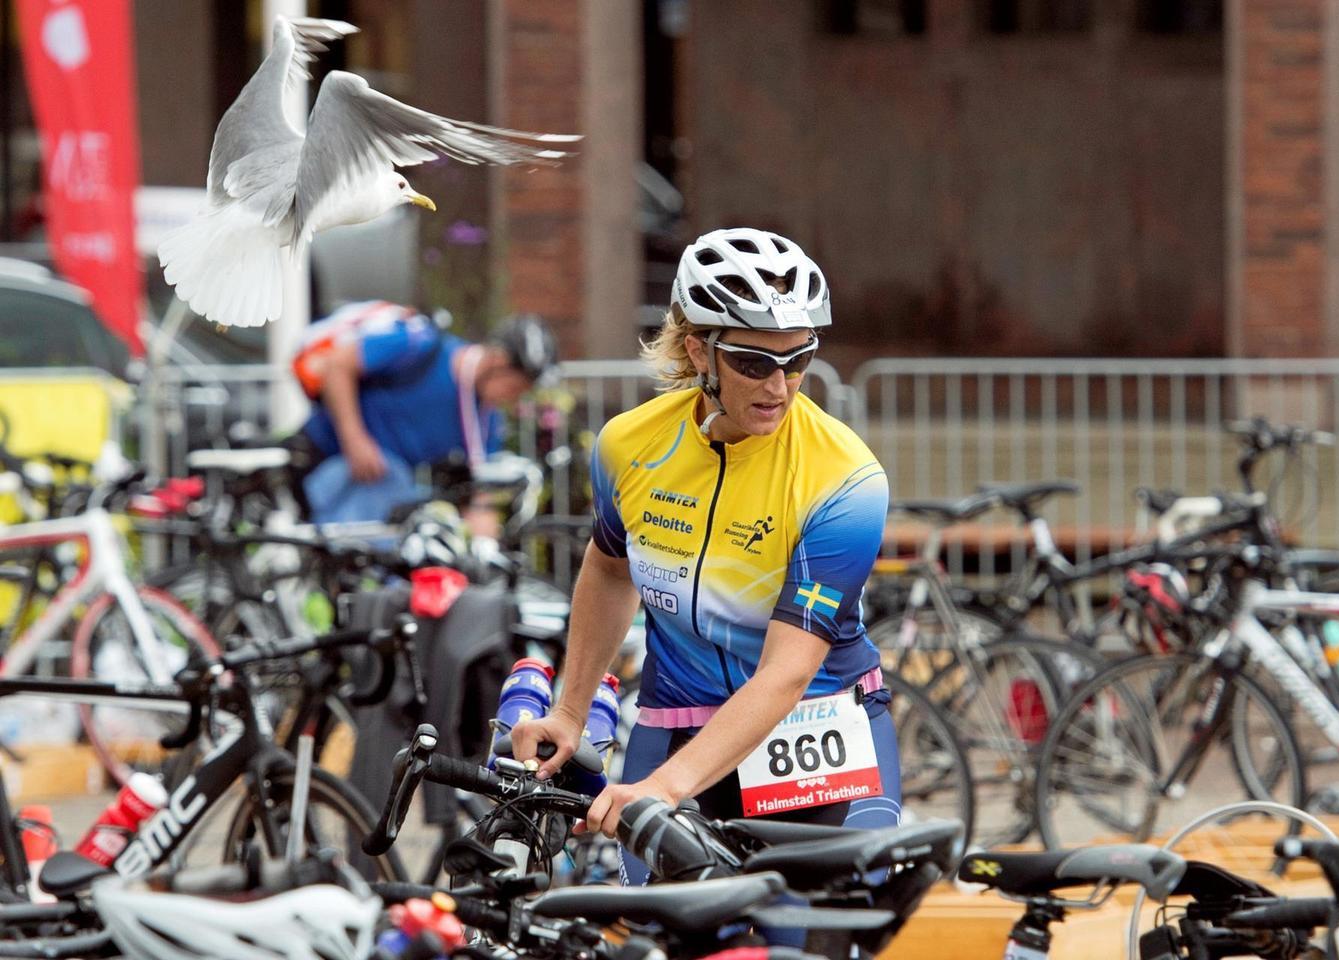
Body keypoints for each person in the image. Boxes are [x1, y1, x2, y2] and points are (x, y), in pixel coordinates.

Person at [508, 228, 898, 878]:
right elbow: (608, 568)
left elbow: (787, 672)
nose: (780, 384)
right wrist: (570, 712)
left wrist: (664, 789)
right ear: (699, 350)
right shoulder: (628, 444)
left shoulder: (845, 480)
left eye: (798, 358)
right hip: (678, 721)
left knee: (805, 942)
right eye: (753, 362)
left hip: (817, 735)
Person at [291, 306, 555, 531]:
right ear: (497, 360)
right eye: (514, 388)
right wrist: (355, 439)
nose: (512, 399)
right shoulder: (420, 346)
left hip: (377, 490)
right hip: (321, 456)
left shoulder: (486, 420)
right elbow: (338, 364)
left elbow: (479, 492)